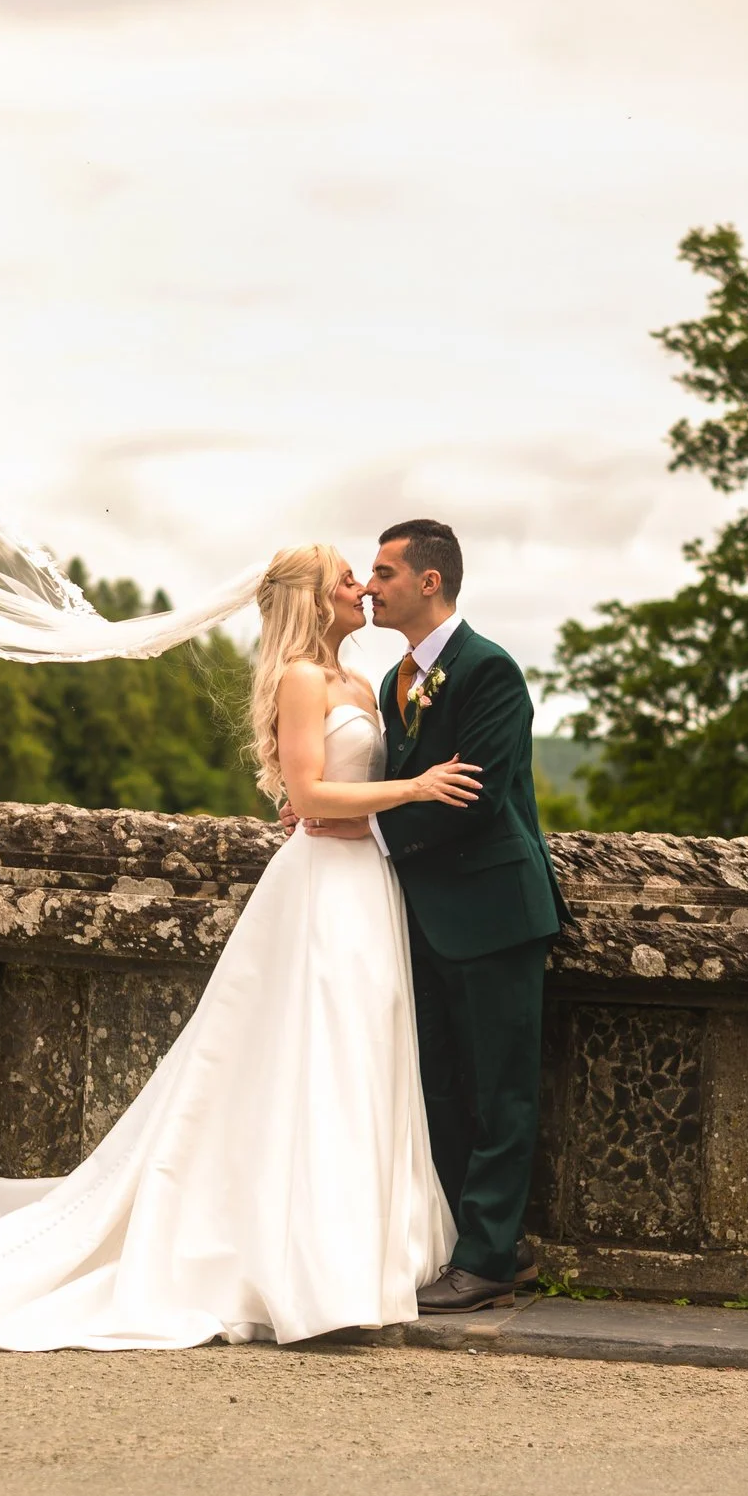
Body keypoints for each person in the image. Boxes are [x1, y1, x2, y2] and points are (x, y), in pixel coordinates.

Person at [0, 545, 483, 1349]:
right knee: (311, 1057)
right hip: (317, 893)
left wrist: (365, 813)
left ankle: (362, 1253)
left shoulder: (362, 684)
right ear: (308, 597)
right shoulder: (303, 678)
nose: (359, 586)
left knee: (360, 1055)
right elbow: (306, 792)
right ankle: (306, 1264)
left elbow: (336, 799)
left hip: (365, 886)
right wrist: (407, 790)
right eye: (343, 576)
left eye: (361, 574)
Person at [294, 520, 571, 1313]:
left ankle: (485, 1261)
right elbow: (392, 780)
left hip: (495, 910)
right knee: (440, 1088)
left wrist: (366, 827)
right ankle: (483, 1243)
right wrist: (328, 805)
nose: (369, 587)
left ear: (430, 582)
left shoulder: (489, 672)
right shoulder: (393, 684)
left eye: (383, 573)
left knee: (502, 1090)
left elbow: (475, 797)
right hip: (420, 915)